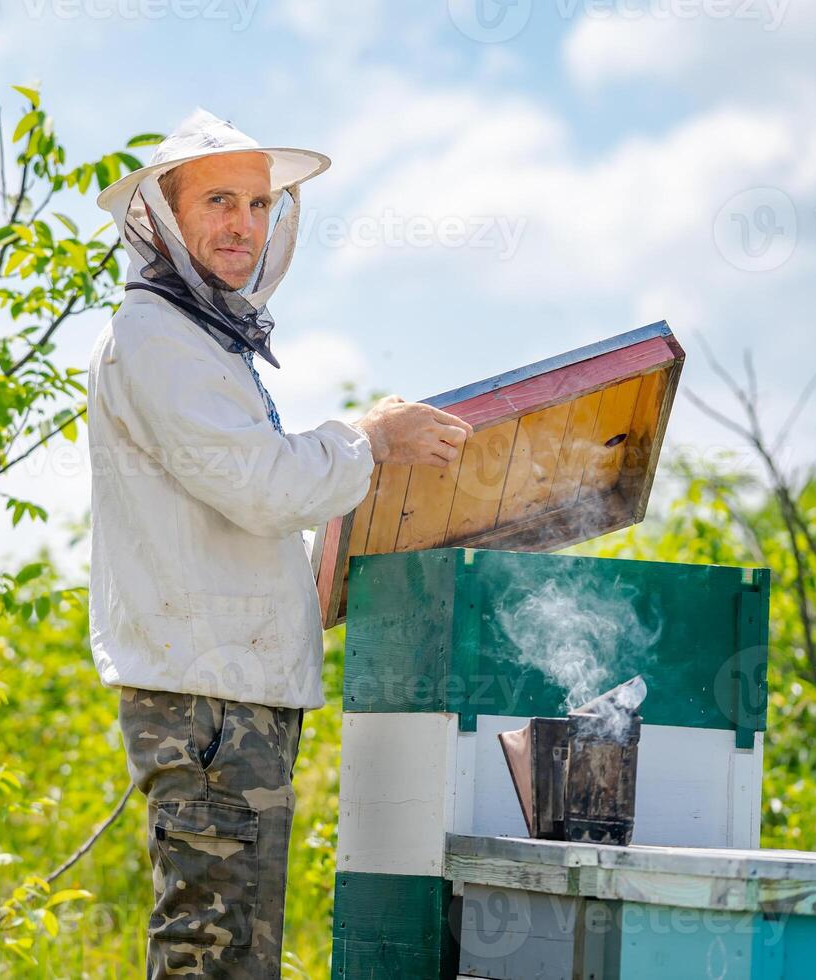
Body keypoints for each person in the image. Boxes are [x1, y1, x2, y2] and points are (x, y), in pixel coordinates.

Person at [85, 107, 473, 978]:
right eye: (219, 200)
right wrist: (370, 437)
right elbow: (262, 487)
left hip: (225, 696)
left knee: (236, 950)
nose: (244, 225)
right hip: (207, 702)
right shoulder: (157, 339)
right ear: (161, 214)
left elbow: (233, 515)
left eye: (259, 205)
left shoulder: (198, 340)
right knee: (216, 957)